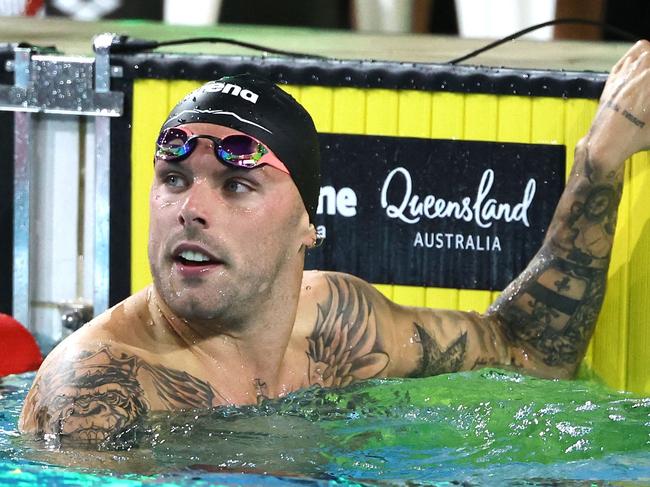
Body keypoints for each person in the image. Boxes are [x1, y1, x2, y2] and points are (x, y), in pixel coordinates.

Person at [18, 40, 650, 445]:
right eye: (174, 179)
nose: (190, 209)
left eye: (237, 186)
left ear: (307, 228)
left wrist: (600, 160)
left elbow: (531, 350)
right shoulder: (99, 391)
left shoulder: (341, 325)